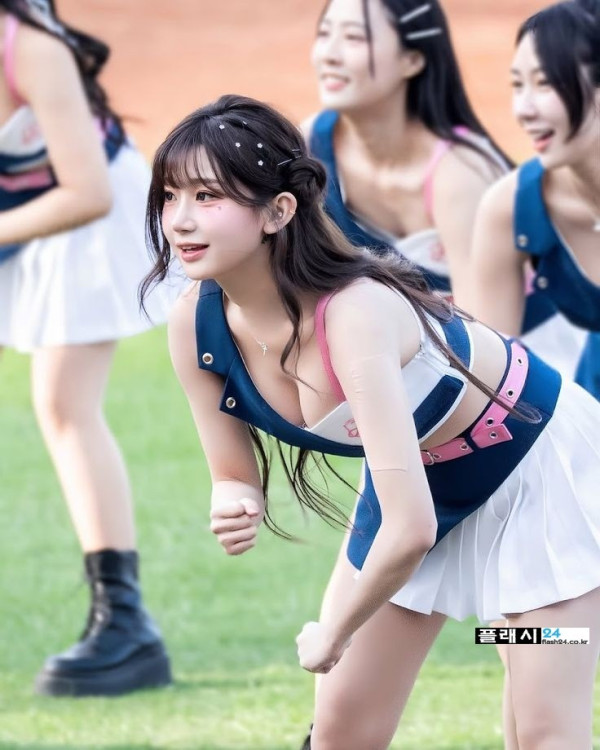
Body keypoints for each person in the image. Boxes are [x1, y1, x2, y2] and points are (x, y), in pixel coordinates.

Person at [143, 94, 600, 749]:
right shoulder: (195, 325)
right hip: (418, 479)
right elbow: (232, 473)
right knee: (342, 732)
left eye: (208, 196)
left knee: (543, 731)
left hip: (545, 478)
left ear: (278, 211)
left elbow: (410, 530)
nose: (180, 219)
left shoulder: (356, 314)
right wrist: (234, 498)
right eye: (169, 196)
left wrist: (334, 631)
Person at [0, 0, 173, 696]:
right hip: (18, 212)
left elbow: (88, 192)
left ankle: (124, 621)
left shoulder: (29, 46)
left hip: (78, 220)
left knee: (65, 404)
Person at [304, 0, 588, 380]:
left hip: (536, 367)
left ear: (413, 60)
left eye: (355, 38)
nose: (329, 54)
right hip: (424, 363)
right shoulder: (313, 146)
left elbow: (489, 350)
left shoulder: (460, 173)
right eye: (324, 34)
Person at [469, 0, 600, 400]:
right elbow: (488, 382)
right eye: (517, 85)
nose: (523, 110)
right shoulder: (511, 207)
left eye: (545, 83)